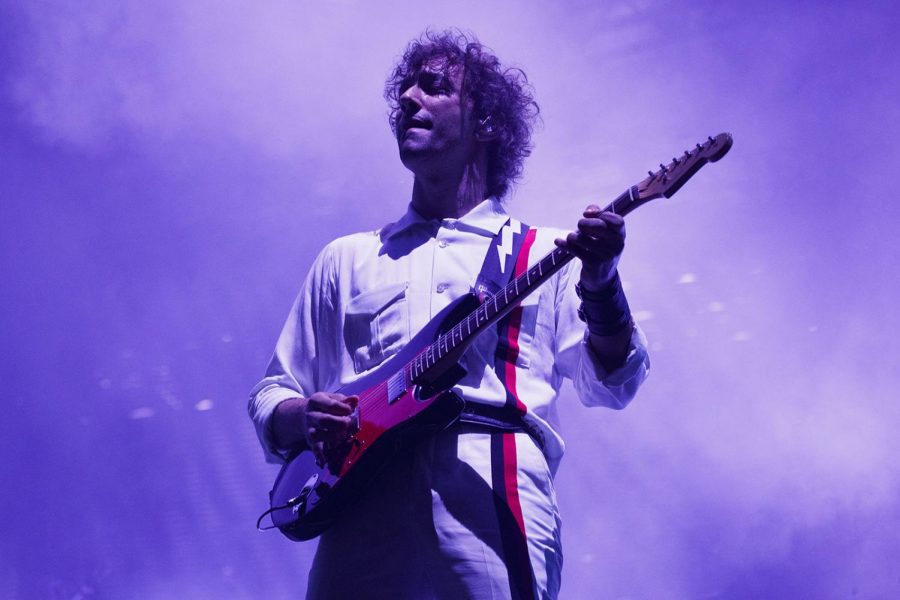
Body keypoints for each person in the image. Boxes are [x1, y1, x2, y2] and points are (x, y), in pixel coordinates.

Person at [249, 30, 649, 599]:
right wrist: (304, 415)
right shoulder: (348, 258)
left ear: (484, 123)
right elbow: (272, 392)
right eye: (404, 91)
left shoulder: (546, 252)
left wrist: (602, 279)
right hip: (360, 508)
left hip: (494, 493)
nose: (409, 99)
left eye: (433, 87)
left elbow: (613, 380)